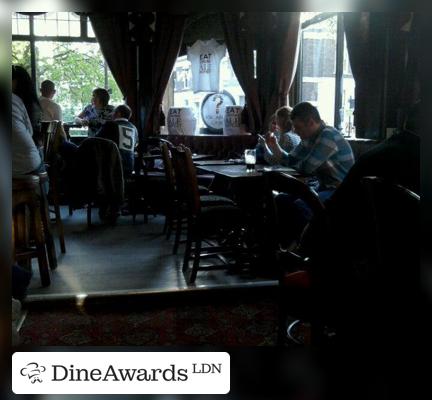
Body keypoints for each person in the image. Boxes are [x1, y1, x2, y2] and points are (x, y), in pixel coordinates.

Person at [268, 102, 355, 248]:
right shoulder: (309, 137)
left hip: (343, 192)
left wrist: (296, 162)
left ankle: (306, 249)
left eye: (298, 127)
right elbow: (291, 160)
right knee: (281, 199)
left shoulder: (328, 136)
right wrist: (276, 148)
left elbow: (306, 168)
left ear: (310, 122)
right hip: (324, 187)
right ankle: (284, 248)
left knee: (302, 205)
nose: (295, 131)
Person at [12, 66, 44, 177]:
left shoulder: (16, 101)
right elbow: (31, 132)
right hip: (35, 155)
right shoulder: (31, 103)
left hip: (24, 162)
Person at [95, 104, 139, 177]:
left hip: (113, 166)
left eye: (113, 112)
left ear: (118, 113)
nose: (111, 114)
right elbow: (136, 144)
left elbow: (95, 140)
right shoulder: (134, 128)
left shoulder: (110, 124)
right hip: (129, 166)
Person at [12, 65, 43, 139]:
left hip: (25, 146)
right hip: (36, 145)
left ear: (16, 81)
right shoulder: (33, 103)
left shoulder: (16, 103)